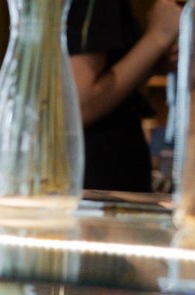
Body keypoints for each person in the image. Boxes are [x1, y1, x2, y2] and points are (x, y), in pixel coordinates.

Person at [67, 0, 181, 192]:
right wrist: (158, 36)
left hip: (101, 176)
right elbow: (79, 104)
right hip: (93, 179)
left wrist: (151, 60)